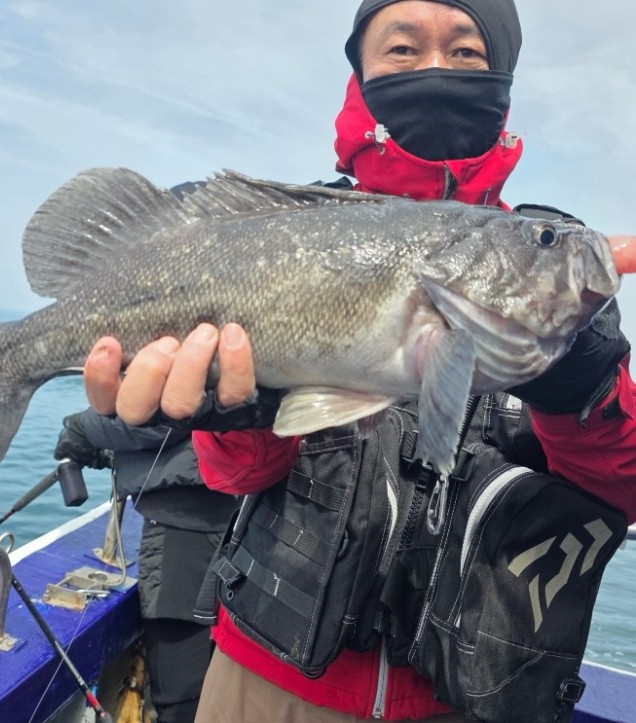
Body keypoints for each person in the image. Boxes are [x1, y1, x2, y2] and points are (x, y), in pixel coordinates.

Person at [81, 1, 636, 721]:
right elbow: (239, 477)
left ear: (502, 79)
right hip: (270, 681)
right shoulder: (285, 232)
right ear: (361, 76)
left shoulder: (562, 301)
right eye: (403, 49)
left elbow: (621, 490)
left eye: (466, 52)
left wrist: (582, 387)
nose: (436, 69)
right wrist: (237, 413)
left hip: (462, 697)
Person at [54, 412, 238, 723]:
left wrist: (83, 429)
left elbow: (171, 413)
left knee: (184, 701)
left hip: (188, 530)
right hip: (245, 517)